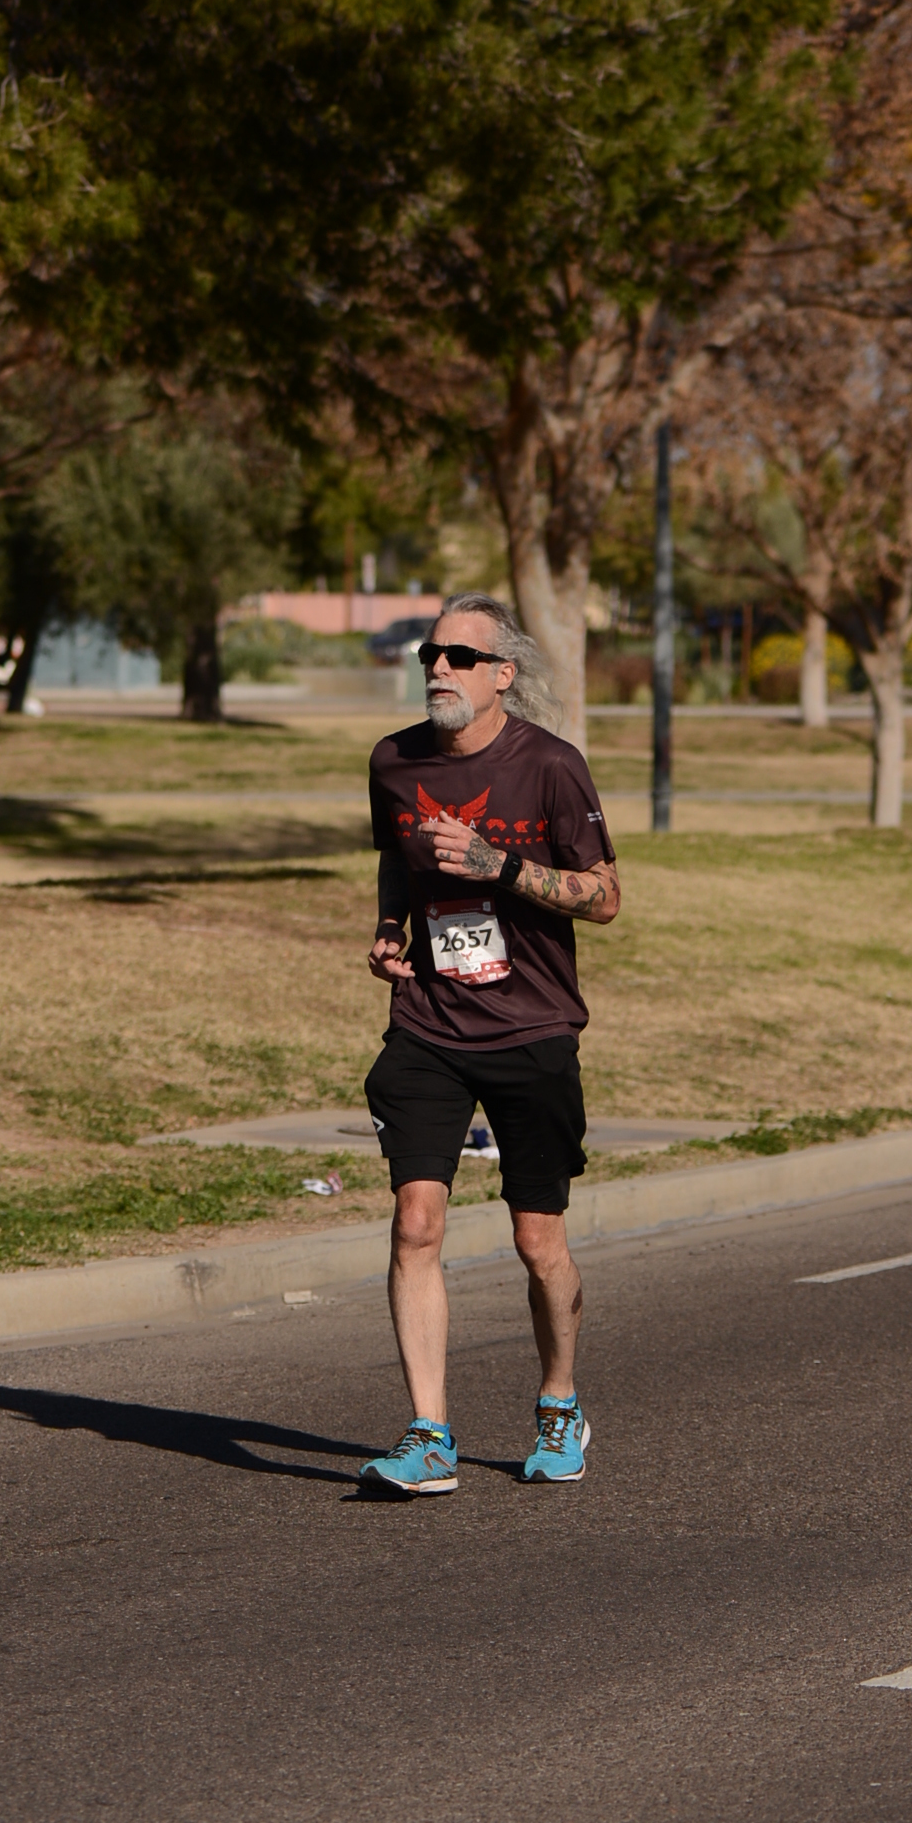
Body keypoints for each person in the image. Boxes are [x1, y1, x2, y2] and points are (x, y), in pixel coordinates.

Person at [358, 593, 621, 1497]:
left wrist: (498, 865)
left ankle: (559, 1402)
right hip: (429, 1023)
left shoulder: (550, 765)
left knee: (537, 1241)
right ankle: (429, 1435)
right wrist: (390, 929)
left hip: (531, 1026)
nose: (439, 669)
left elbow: (605, 896)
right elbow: (396, 858)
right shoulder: (394, 762)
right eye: (430, 655)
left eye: (461, 657)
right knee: (415, 1222)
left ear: (503, 674)